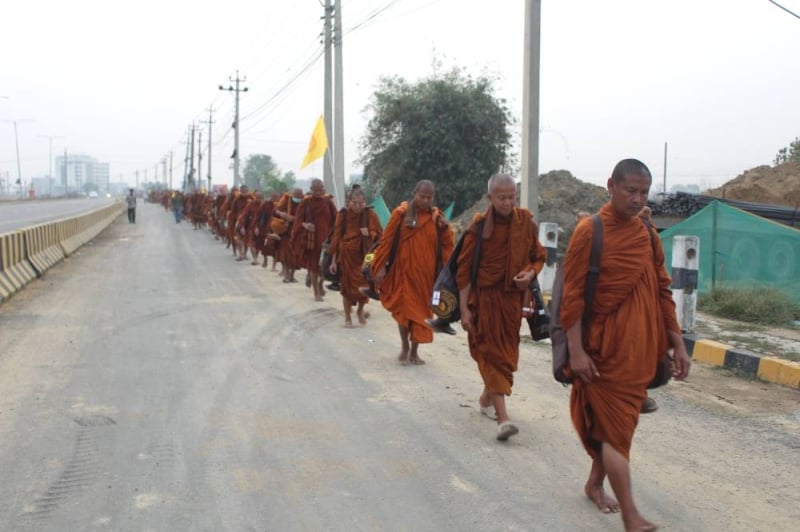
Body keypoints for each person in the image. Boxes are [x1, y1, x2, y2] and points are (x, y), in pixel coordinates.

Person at [561, 158, 690, 531]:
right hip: (602, 353)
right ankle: (632, 517)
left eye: (643, 193)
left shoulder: (647, 234)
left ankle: (594, 484)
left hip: (639, 354)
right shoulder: (590, 231)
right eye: (631, 191)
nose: (637, 199)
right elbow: (571, 297)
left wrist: (678, 343)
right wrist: (577, 352)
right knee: (615, 433)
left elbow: (662, 291)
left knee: (618, 429)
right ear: (611, 186)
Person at [456, 174, 546, 441]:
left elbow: (538, 257)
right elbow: (463, 272)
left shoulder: (525, 223)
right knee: (491, 353)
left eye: (511, 197)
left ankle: (487, 398)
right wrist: (464, 309)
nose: (507, 202)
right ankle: (503, 419)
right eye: (501, 198)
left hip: (511, 303)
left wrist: (530, 274)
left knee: (505, 357)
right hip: (483, 302)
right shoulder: (478, 229)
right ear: (490, 198)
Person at [575, 209, 660, 415]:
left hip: (637, 306)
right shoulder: (598, 230)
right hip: (604, 305)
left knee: (634, 347)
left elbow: (658, 272)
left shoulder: (646, 233)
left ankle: (635, 393)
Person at [371, 180, 454, 365]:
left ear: (433, 197)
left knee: (422, 313)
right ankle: (405, 347)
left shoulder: (436, 219)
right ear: (414, 194)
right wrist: (381, 266)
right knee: (404, 312)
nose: (425, 200)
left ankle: (415, 351)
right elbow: (386, 241)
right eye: (422, 196)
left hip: (426, 278)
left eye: (429, 197)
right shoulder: (400, 215)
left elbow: (448, 245)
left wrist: (446, 228)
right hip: (403, 273)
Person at [328, 187, 383, 327]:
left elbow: (380, 237)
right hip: (346, 258)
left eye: (361, 203)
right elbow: (337, 238)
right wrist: (333, 261)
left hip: (366, 256)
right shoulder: (343, 215)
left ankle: (360, 310)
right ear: (349, 202)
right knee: (346, 289)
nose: (358, 206)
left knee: (365, 286)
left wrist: (369, 233)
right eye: (355, 203)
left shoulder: (370, 215)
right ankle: (347, 318)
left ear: (365, 202)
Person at [291, 179, 338, 301]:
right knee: (313, 266)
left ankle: (320, 283)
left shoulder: (328, 202)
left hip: (326, 240)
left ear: (323, 189)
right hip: (312, 240)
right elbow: (298, 221)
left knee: (324, 266)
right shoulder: (305, 202)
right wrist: (305, 225)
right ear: (311, 189)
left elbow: (336, 219)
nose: (318, 192)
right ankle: (316, 292)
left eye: (320, 190)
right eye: (315, 190)